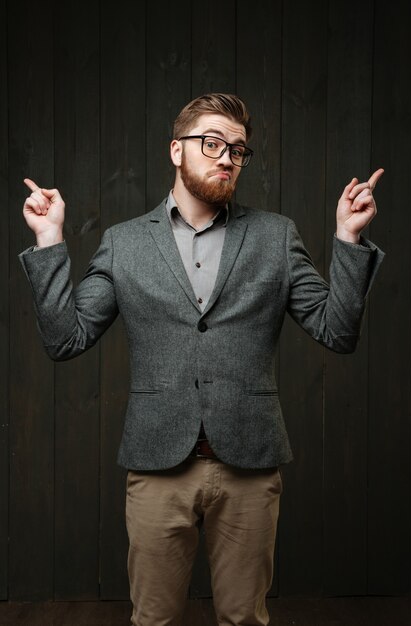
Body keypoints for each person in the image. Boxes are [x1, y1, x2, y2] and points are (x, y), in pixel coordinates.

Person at [20, 93, 384, 626]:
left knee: (244, 618)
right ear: (176, 150)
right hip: (156, 464)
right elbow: (65, 339)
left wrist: (348, 238)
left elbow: (337, 331)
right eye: (212, 143)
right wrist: (49, 240)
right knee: (154, 619)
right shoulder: (123, 244)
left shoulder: (275, 236)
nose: (225, 157)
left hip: (250, 466)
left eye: (237, 149)